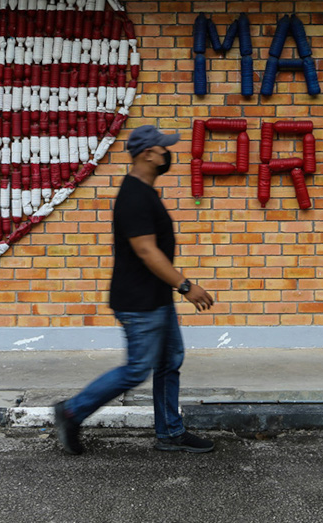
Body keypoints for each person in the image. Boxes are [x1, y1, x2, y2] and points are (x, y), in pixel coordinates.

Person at [54, 124, 216, 455]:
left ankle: (170, 432)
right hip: (139, 303)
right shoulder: (134, 196)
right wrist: (185, 286)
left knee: (170, 360)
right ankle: (71, 411)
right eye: (162, 149)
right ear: (147, 154)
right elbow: (146, 250)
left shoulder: (144, 192)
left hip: (155, 298)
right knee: (137, 369)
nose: (167, 154)